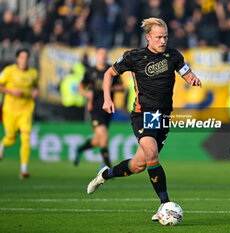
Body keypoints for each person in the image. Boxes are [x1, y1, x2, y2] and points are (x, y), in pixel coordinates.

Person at [86, 17, 201, 221]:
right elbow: (108, 74)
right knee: (151, 153)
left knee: (139, 165)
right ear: (148, 37)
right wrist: (106, 99)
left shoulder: (173, 55)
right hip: (143, 114)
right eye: (158, 37)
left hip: (163, 117)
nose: (163, 41)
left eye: (165, 37)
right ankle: (165, 205)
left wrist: (192, 78)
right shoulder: (134, 56)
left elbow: (186, 72)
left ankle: (105, 174)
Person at [74, 47, 123, 167]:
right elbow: (80, 87)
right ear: (96, 56)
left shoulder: (111, 71)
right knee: (104, 137)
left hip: (108, 109)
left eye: (105, 54)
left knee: (97, 140)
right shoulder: (90, 72)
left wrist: (109, 87)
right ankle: (109, 168)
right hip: (95, 109)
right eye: (100, 54)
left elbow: (122, 87)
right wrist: (87, 93)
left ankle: (80, 149)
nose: (103, 56)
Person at [0, 49, 39, 178]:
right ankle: (3, 144)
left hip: (26, 111)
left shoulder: (33, 73)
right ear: (17, 59)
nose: (24, 60)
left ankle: (24, 169)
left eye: (26, 57)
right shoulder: (9, 71)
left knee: (25, 139)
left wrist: (36, 91)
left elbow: (35, 85)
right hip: (10, 110)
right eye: (22, 57)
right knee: (11, 139)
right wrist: (11, 92)